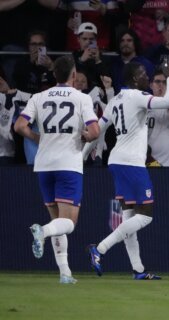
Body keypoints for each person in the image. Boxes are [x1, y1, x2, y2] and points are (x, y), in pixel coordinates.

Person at [85, 61, 169, 280]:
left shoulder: (114, 100)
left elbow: (97, 130)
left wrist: (80, 157)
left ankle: (138, 270)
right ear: (135, 78)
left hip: (116, 161)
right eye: (144, 74)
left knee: (128, 219)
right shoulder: (137, 97)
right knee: (146, 216)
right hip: (132, 163)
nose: (147, 77)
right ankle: (100, 248)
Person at [13, 55, 100, 284]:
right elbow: (95, 130)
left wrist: (36, 137)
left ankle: (65, 273)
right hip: (68, 164)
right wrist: (86, 136)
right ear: (73, 75)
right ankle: (41, 231)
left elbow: (19, 125)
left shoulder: (38, 97)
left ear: (54, 74)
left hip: (44, 165)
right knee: (68, 223)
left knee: (57, 222)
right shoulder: (81, 98)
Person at [110, 29, 155, 94]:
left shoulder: (146, 64)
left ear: (135, 43)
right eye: (122, 41)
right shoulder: (114, 64)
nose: (125, 43)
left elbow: (151, 87)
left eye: (129, 40)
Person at [72, 22, 111, 89]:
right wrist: (81, 60)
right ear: (78, 39)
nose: (88, 42)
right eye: (84, 39)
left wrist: (98, 61)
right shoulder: (73, 57)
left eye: (91, 39)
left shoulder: (103, 58)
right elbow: (71, 78)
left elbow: (107, 80)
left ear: (96, 40)